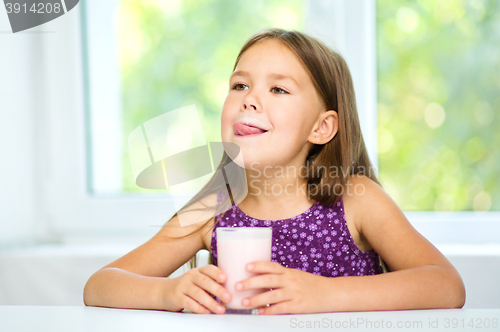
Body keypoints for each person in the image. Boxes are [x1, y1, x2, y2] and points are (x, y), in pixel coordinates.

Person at [83, 28, 466, 315]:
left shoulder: (354, 199)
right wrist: (167, 293)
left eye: (278, 90)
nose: (249, 98)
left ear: (322, 128)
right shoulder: (215, 202)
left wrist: (325, 295)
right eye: (240, 85)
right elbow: (100, 286)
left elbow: (446, 286)